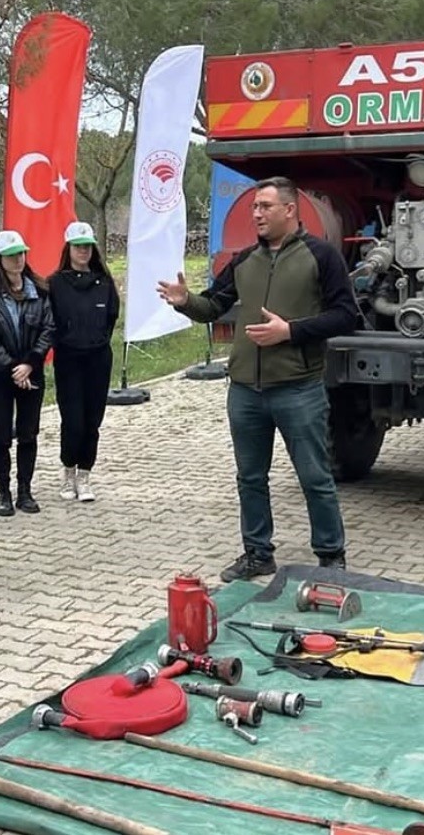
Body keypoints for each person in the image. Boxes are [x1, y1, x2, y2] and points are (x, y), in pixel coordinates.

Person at [156, 176, 358, 583]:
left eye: (265, 206)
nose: (257, 214)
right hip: (246, 390)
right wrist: (185, 302)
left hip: (298, 387)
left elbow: (346, 315)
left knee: (314, 476)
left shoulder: (322, 257)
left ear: (290, 210)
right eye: (254, 207)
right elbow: (215, 304)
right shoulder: (246, 259)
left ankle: (331, 557)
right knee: (250, 478)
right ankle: (257, 553)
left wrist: (291, 331)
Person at [0, 230, 54, 516]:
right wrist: (11, 367)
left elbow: (48, 328)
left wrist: (31, 362)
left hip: (31, 371)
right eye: (11, 255)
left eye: (21, 253)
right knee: (2, 434)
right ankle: (3, 492)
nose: (18, 259)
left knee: (29, 433)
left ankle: (25, 490)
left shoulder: (39, 290)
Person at [48, 221, 119, 502]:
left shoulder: (104, 282)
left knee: (93, 420)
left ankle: (85, 474)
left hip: (98, 358)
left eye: (87, 247)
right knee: (73, 420)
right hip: (68, 359)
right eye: (78, 247)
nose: (83, 252)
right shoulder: (55, 283)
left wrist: (98, 339)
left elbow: (111, 316)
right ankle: (68, 470)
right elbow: (48, 320)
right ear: (69, 248)